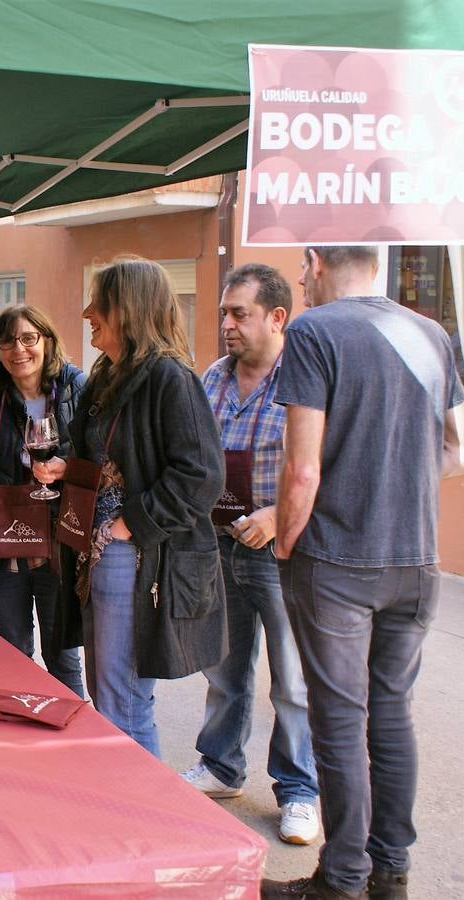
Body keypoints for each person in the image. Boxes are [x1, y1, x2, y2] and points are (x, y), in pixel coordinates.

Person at [262, 246, 464, 900]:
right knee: (392, 718)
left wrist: (286, 543)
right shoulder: (432, 332)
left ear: (318, 261)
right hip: (415, 560)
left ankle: (342, 879)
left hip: (337, 561)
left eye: (301, 268)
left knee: (341, 724)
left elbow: (301, 470)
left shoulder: (314, 331)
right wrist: (395, 482)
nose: (299, 280)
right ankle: (390, 875)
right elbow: (457, 448)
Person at [61, 257, 226, 757]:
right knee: (113, 694)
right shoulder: (111, 374)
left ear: (128, 310)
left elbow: (202, 475)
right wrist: (64, 469)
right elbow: (100, 456)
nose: (89, 312)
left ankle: (141, 821)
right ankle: (126, 809)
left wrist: (132, 523)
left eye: (100, 304)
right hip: (101, 551)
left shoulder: (169, 377)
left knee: (123, 701)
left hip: (130, 557)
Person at [179, 264, 320, 847]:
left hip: (281, 551)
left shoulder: (305, 380)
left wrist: (274, 515)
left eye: (240, 313)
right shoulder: (213, 376)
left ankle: (299, 791)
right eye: (224, 312)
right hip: (218, 546)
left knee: (290, 680)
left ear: (277, 317)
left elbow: (323, 466)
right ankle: (221, 766)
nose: (227, 324)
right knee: (225, 668)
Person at [0, 306, 86, 697]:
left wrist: (66, 468)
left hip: (60, 546)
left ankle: (73, 741)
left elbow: (100, 461)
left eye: (29, 338)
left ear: (46, 341)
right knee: (13, 649)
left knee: (62, 655)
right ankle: (21, 740)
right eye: (8, 340)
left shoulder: (77, 391)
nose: (18, 348)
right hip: (4, 545)